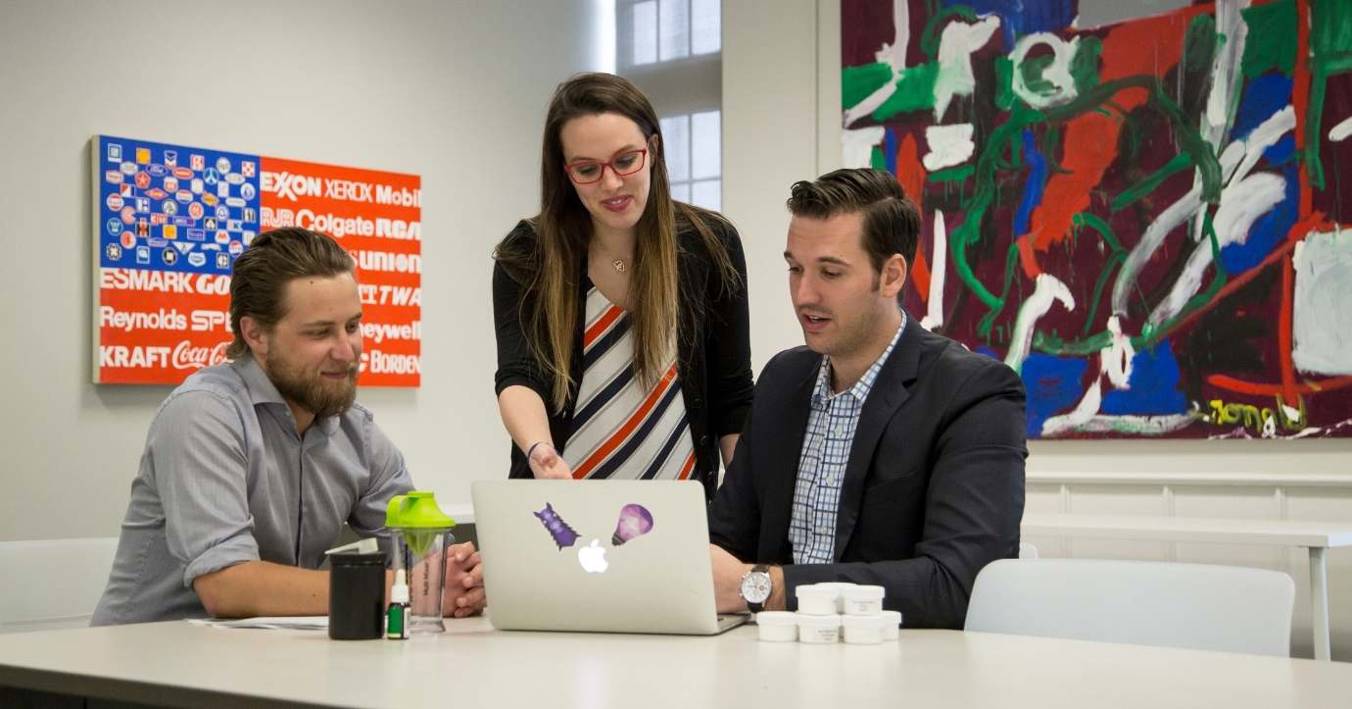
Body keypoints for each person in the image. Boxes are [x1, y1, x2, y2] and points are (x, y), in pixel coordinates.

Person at [92, 228, 484, 625]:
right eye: (320, 332)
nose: (347, 352)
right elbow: (228, 587)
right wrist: (408, 591)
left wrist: (464, 578)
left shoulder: (356, 432)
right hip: (144, 667)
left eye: (352, 326)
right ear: (256, 334)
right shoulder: (202, 414)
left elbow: (424, 554)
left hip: (265, 658)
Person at [707, 169, 1027, 628]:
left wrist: (767, 588)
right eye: (795, 268)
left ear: (892, 274)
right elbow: (725, 540)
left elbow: (959, 584)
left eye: (830, 272)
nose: (803, 294)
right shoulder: (783, 380)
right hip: (770, 665)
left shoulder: (974, 393)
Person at [492, 72, 753, 498]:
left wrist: (747, 504)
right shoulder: (529, 253)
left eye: (625, 160)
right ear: (565, 172)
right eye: (588, 170)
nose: (611, 184)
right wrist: (541, 451)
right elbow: (519, 376)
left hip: (678, 514)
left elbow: (733, 394)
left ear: (652, 150)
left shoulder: (710, 244)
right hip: (559, 511)